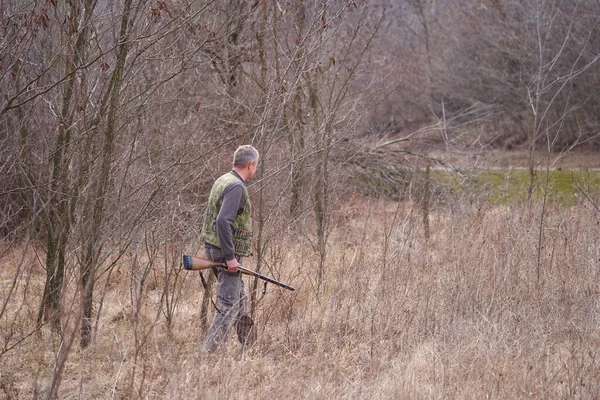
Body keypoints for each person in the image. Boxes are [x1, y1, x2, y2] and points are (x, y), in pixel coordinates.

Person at [200, 145, 259, 355]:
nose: (255, 170)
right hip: (224, 253)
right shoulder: (236, 187)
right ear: (250, 164)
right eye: (255, 166)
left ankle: (251, 346)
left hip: (214, 248)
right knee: (228, 304)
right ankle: (208, 355)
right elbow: (223, 221)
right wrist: (231, 257)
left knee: (240, 298)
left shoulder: (223, 179)